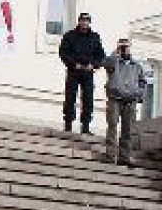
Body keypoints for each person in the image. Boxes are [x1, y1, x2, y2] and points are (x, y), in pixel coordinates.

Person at [59, 12, 106, 135]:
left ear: (89, 23)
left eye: (87, 21)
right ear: (79, 21)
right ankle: (68, 124)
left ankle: (85, 127)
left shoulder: (95, 37)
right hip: (73, 70)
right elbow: (63, 53)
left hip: (88, 72)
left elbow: (101, 56)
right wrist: (74, 64)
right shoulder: (70, 35)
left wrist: (93, 65)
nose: (84, 23)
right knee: (70, 98)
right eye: (82, 20)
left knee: (88, 99)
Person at [102, 38, 146, 166]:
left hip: (130, 101)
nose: (124, 48)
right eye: (122, 46)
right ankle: (110, 155)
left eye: (126, 46)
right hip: (115, 99)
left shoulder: (137, 66)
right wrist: (115, 52)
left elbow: (143, 82)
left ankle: (124, 157)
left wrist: (138, 94)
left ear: (130, 48)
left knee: (128, 130)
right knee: (112, 126)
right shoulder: (114, 62)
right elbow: (104, 63)